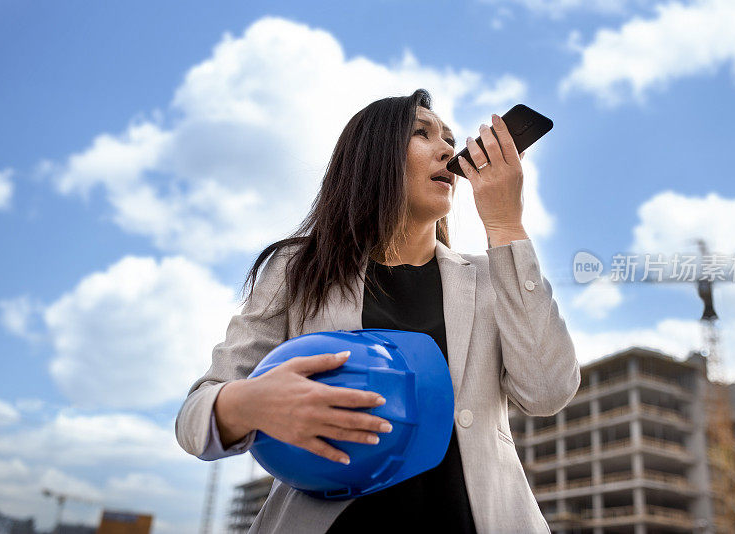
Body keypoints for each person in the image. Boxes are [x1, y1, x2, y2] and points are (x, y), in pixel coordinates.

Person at [175, 88, 580, 533]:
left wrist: (506, 225)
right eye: (422, 134)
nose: (448, 148)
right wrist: (249, 402)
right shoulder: (298, 268)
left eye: (449, 137)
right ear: (374, 157)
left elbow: (547, 391)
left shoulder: (491, 277)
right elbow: (194, 420)